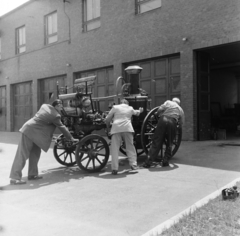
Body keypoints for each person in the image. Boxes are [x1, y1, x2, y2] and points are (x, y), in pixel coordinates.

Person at [9, 99, 79, 185]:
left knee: (35, 153)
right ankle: (14, 178)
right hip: (29, 131)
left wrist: (50, 136)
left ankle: (32, 174)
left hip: (34, 131)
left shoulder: (45, 107)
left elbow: (43, 123)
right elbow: (62, 127)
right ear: (56, 106)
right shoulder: (55, 115)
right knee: (22, 154)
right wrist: (71, 138)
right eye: (60, 106)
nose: (62, 107)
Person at [105, 98, 143, 175]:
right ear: (127, 103)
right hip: (127, 128)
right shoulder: (130, 108)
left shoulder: (115, 107)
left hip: (116, 129)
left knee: (115, 149)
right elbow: (137, 113)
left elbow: (107, 119)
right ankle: (133, 164)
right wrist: (140, 110)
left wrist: (108, 128)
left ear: (121, 103)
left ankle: (114, 169)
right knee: (130, 146)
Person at [143, 97, 185, 168]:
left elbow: (160, 109)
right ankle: (165, 161)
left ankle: (148, 162)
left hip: (163, 120)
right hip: (172, 122)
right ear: (179, 103)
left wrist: (157, 115)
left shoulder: (168, 102)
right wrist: (176, 128)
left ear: (173, 101)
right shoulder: (180, 109)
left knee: (156, 141)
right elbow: (181, 123)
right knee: (169, 144)